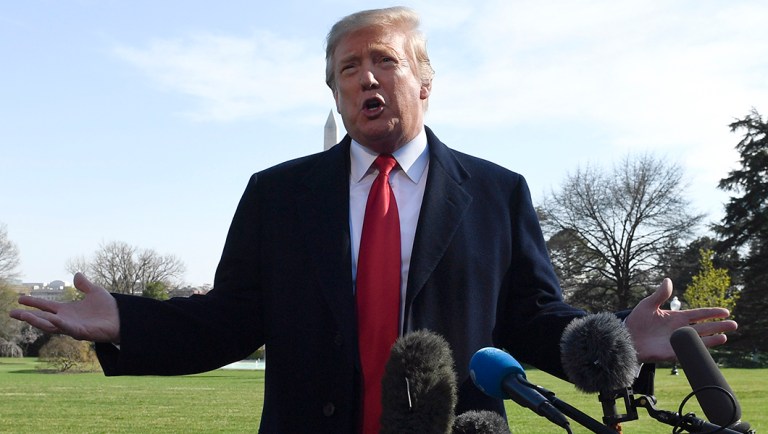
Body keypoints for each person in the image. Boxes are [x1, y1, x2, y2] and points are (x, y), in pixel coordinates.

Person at [10, 6, 736, 434]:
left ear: (423, 81)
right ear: (335, 93)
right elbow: (229, 322)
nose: (363, 77)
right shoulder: (277, 195)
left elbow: (527, 320)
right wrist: (123, 322)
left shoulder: (496, 192)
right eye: (345, 68)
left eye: (382, 60)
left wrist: (609, 338)